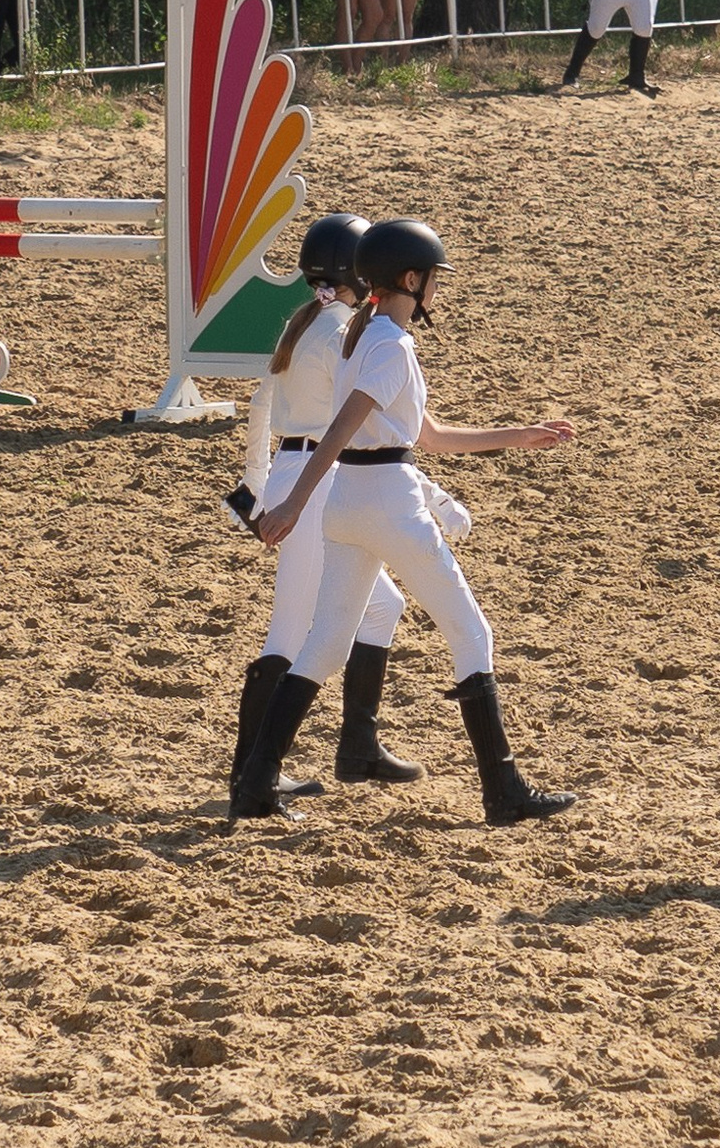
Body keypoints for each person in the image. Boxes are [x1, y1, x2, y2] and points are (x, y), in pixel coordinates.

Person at [240, 220, 579, 826]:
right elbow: (345, 426)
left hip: (347, 505)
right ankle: (504, 791)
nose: (437, 293)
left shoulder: (360, 337)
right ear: (411, 279)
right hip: (389, 500)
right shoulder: (391, 344)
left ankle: (256, 782)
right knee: (472, 635)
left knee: (326, 641)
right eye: (433, 282)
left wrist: (520, 436)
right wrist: (292, 503)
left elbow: (432, 437)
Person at [227, 213, 434, 806]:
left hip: (295, 473)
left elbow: (262, 403)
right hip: (319, 480)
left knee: (381, 605)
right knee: (292, 629)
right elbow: (358, 427)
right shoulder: (347, 332)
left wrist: (257, 484)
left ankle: (359, 745)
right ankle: (252, 775)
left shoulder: (306, 321)